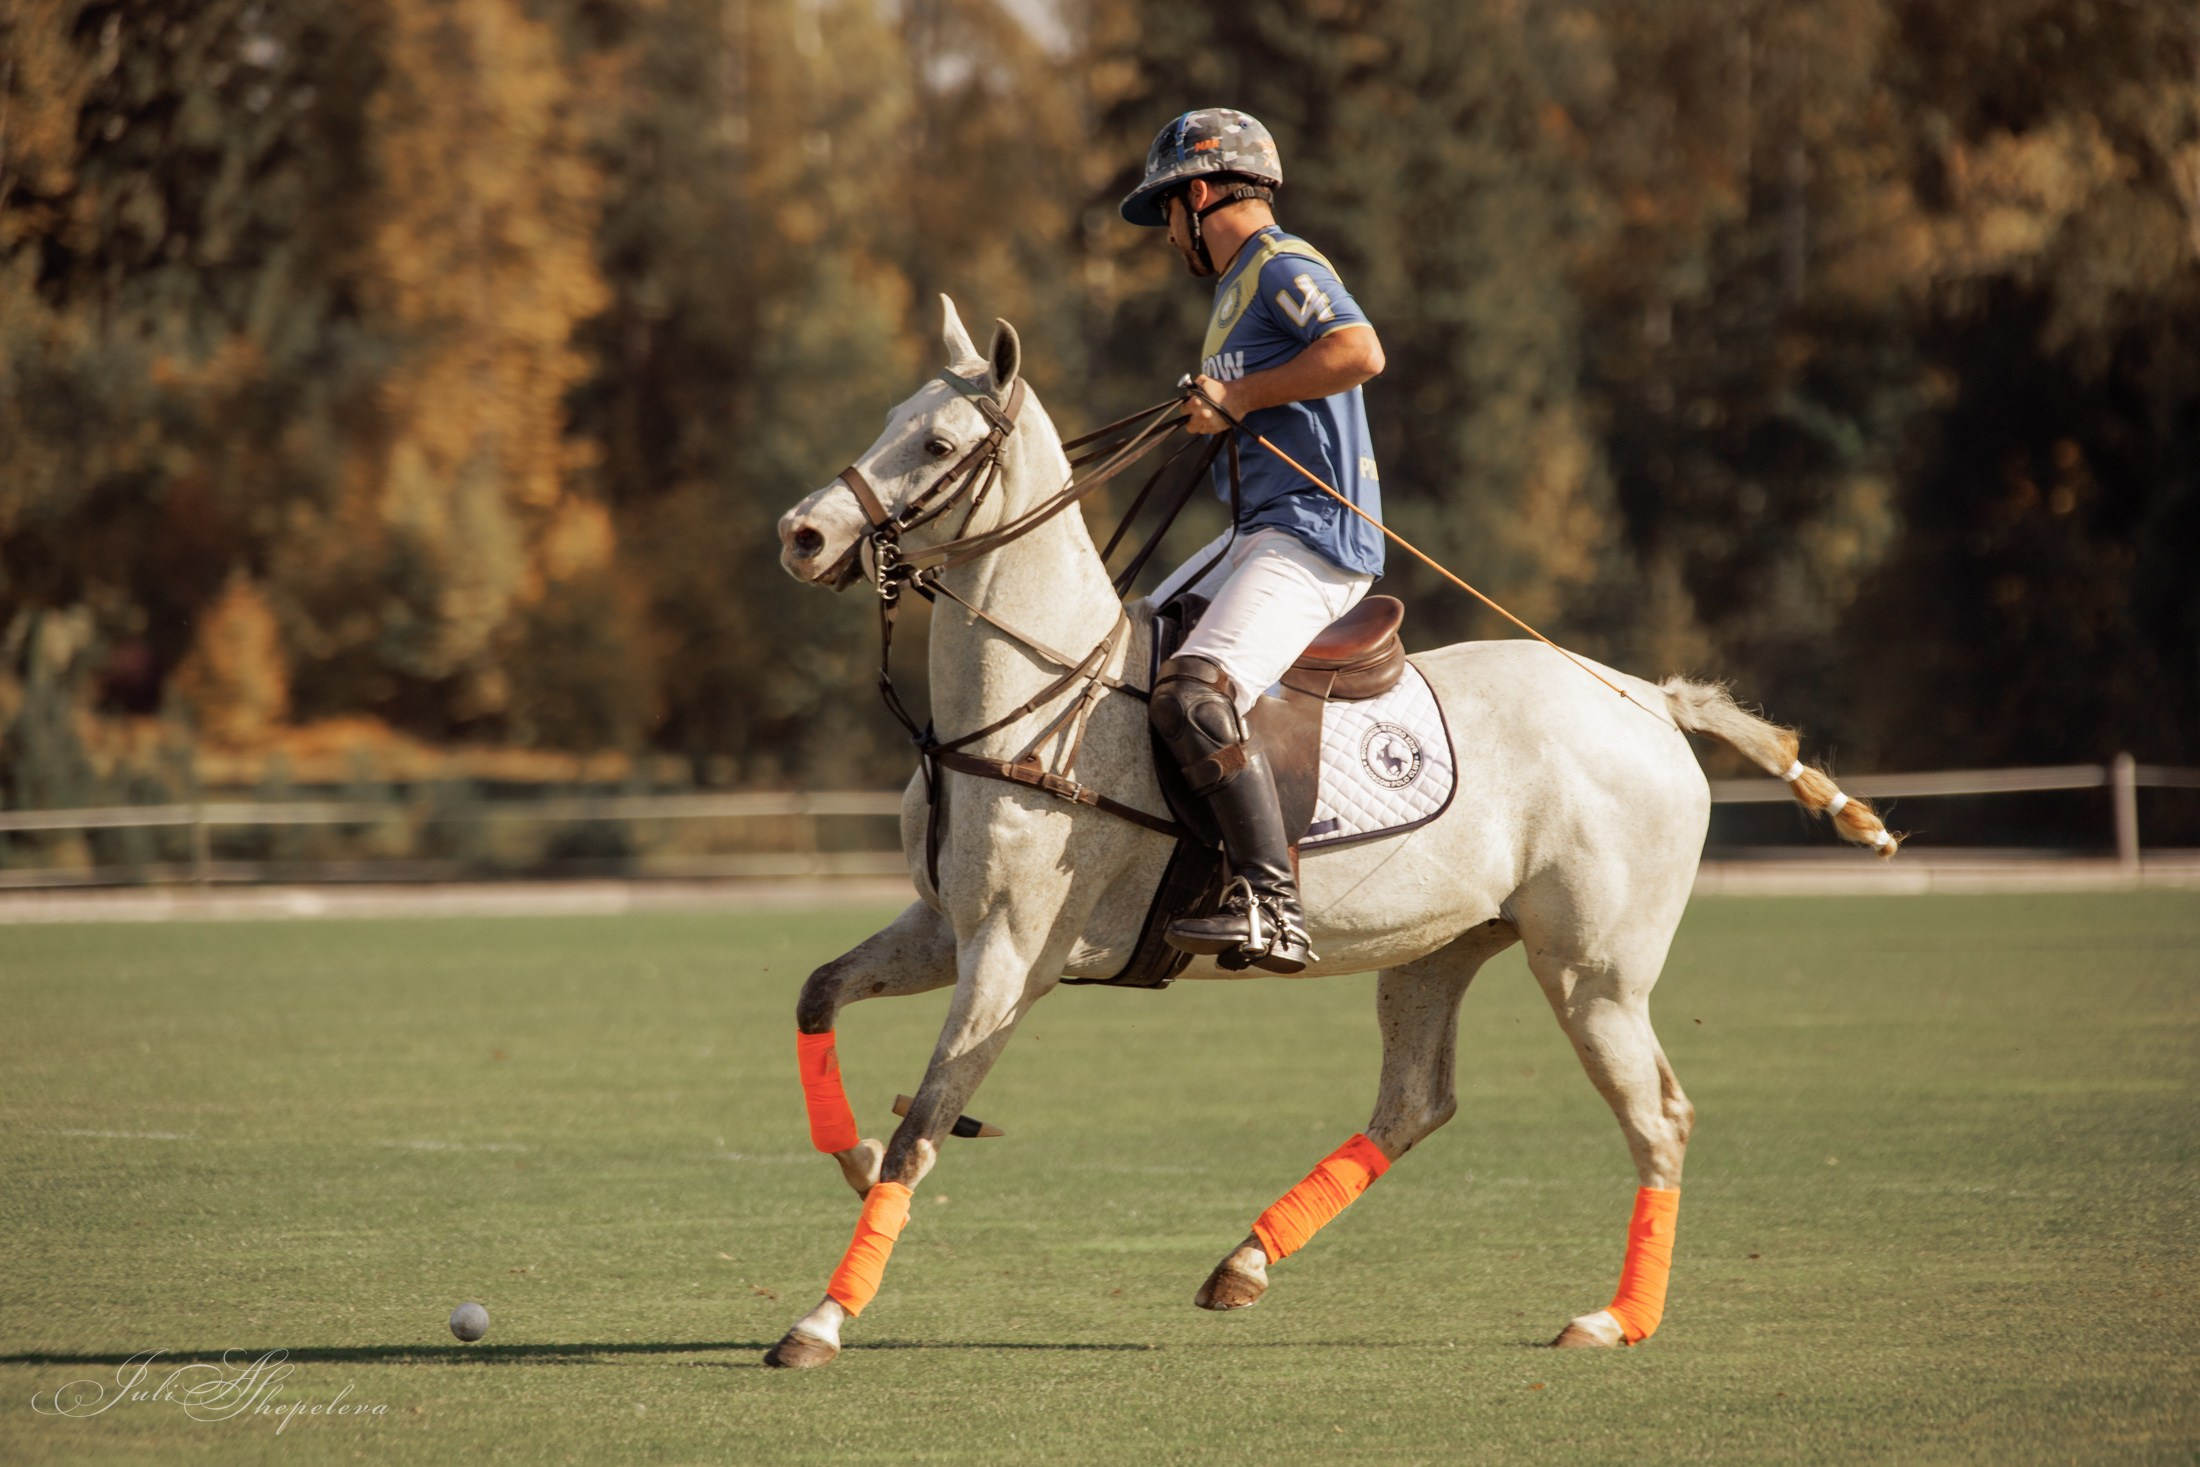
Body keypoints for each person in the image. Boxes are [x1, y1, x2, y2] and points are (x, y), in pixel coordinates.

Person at [1120, 108, 1387, 975]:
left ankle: (1273, 903)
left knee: (1196, 691)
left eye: (1165, 211)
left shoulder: (1281, 263)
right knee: (1119, 658)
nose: (1168, 234)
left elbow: (1359, 349)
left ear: (1197, 195)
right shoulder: (1234, 293)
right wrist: (1217, 409)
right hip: (1257, 530)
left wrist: (1239, 397)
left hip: (1312, 534)